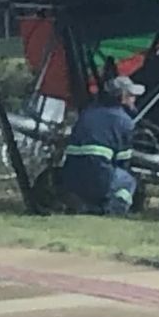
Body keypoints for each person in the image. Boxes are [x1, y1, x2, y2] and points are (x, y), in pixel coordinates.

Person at [56, 76, 142, 216]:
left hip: (71, 176)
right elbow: (123, 160)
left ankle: (87, 207)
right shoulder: (124, 121)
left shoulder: (87, 113)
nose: (134, 99)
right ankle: (114, 211)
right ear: (122, 97)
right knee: (128, 181)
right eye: (131, 95)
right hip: (99, 175)